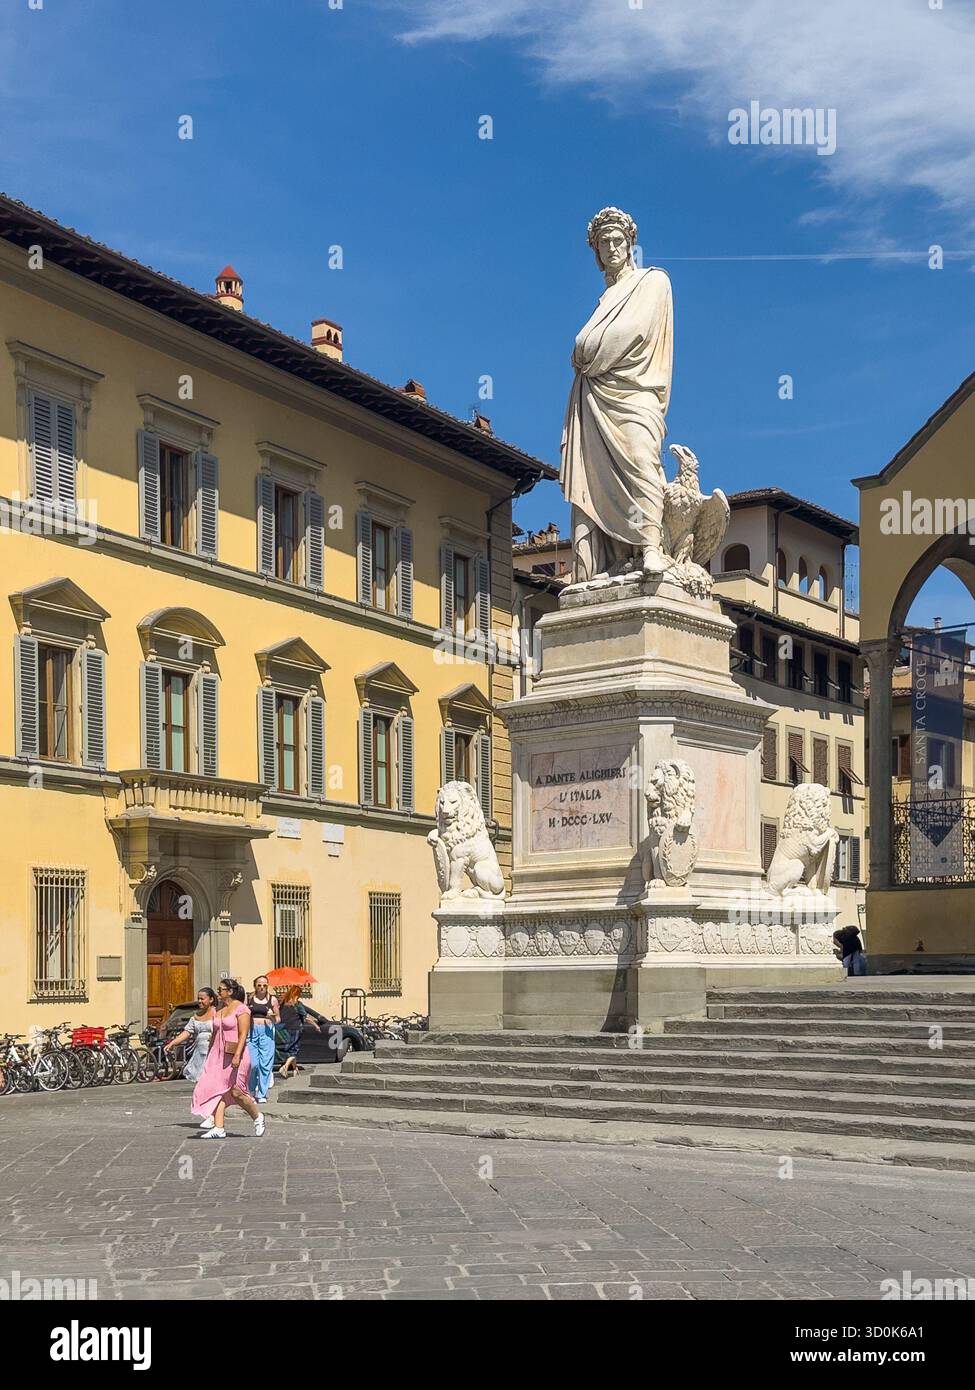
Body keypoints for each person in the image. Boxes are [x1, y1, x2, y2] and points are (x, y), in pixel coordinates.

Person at [191, 978, 266, 1138]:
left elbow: (243, 1034)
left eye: (221, 989)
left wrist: (237, 1055)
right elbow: (214, 1034)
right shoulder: (219, 1010)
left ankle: (257, 1116)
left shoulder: (241, 1008)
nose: (218, 992)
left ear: (230, 992)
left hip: (237, 1054)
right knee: (217, 1089)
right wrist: (210, 1054)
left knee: (237, 1092)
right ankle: (219, 1127)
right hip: (219, 1056)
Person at [164, 988, 216, 1084]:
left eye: (202, 999)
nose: (200, 1001)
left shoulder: (218, 1014)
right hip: (200, 1053)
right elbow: (187, 1032)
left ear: (211, 999)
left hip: (214, 1052)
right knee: (201, 1081)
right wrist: (172, 1043)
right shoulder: (195, 1016)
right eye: (198, 999)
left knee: (212, 1081)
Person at [247, 975, 279, 1103]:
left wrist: (272, 1016)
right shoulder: (249, 998)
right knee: (253, 1064)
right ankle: (250, 1091)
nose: (262, 987)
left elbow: (278, 1019)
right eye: (259, 985)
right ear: (255, 985)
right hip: (252, 1031)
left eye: (264, 985)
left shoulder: (272, 1000)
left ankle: (262, 1094)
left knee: (265, 1064)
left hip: (266, 1031)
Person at [276, 985, 319, 1078]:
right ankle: (285, 1067)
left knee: (288, 1049)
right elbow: (306, 1017)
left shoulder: (283, 1003)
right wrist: (316, 1025)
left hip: (282, 1029)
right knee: (294, 1050)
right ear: (298, 994)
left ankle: (295, 1069)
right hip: (295, 1029)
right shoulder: (298, 1005)